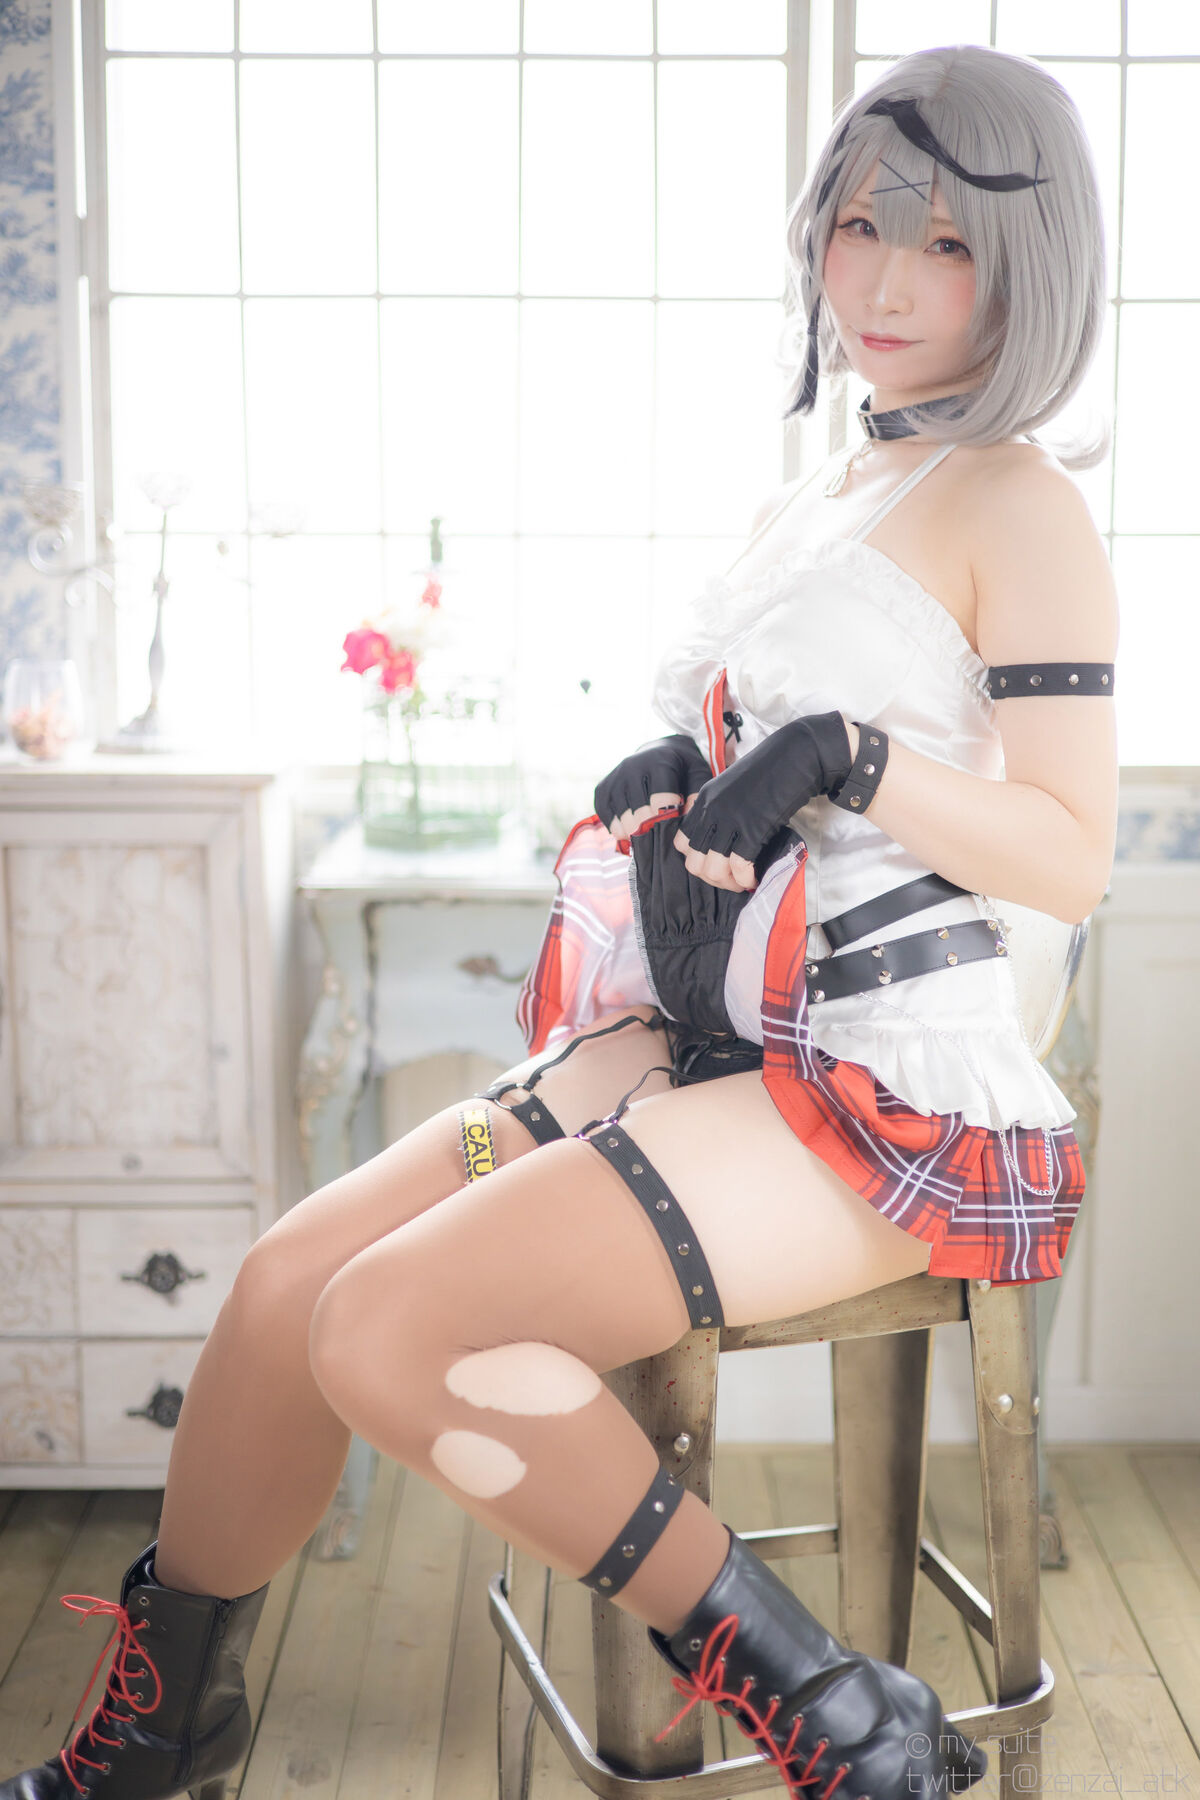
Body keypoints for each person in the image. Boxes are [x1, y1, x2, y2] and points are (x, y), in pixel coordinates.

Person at [2, 41, 1118, 1800]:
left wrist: (851, 754)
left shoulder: (1022, 502)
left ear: (1028, 264)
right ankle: (162, 1737)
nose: (887, 280)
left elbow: (1067, 855)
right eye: (858, 225)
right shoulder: (823, 490)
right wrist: (702, 765)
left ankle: (840, 1713)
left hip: (879, 1090)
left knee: (385, 1326)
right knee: (287, 1289)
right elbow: (782, 757)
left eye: (947, 241)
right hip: (702, 1038)